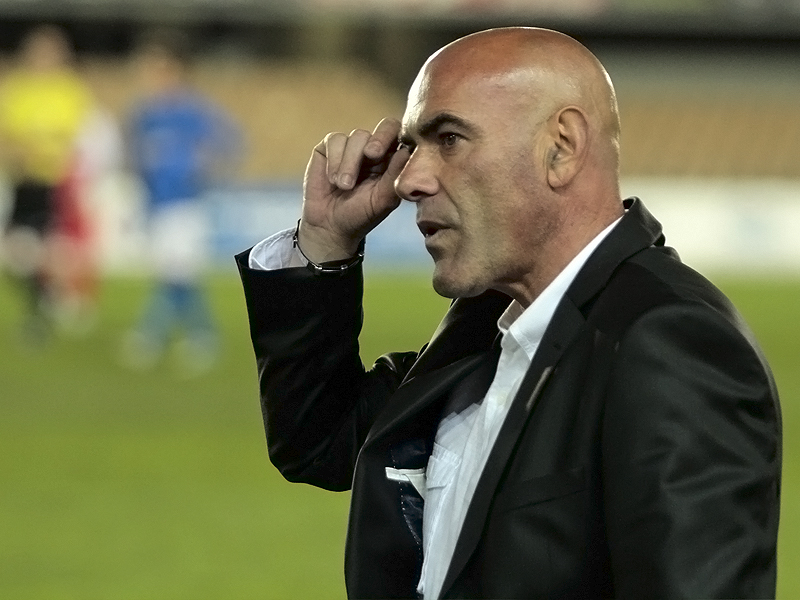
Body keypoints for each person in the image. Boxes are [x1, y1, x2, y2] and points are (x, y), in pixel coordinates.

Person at [236, 27, 781, 599]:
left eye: (449, 139)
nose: (408, 179)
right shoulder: (488, 322)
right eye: (412, 147)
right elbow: (320, 442)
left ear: (561, 147)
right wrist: (325, 240)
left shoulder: (669, 343)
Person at [121, 29, 238, 374]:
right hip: (156, 204)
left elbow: (229, 142)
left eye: (158, 68)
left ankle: (152, 335)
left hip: (186, 204)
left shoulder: (192, 110)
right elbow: (134, 153)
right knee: (175, 275)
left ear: (175, 70)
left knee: (176, 272)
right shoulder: (144, 114)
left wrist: (206, 167)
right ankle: (201, 336)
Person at [0, 25, 93, 342]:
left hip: (55, 182)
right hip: (24, 181)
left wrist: (39, 147)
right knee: (17, 253)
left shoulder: (68, 89)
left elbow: (71, 136)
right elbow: (9, 134)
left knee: (53, 249)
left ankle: (46, 311)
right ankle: (50, 299)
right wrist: (23, 149)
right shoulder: (17, 88)